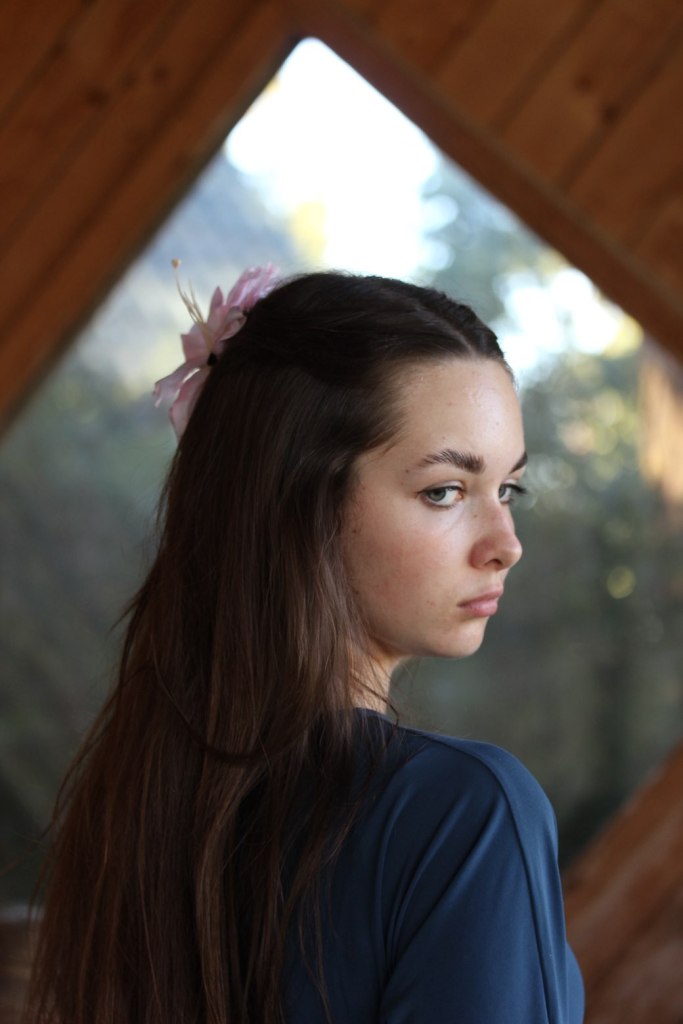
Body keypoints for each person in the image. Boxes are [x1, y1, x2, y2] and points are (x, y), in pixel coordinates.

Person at [26, 269, 584, 1023]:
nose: (505, 544)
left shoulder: (131, 810)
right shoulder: (463, 813)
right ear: (298, 504)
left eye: (508, 489)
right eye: (444, 491)